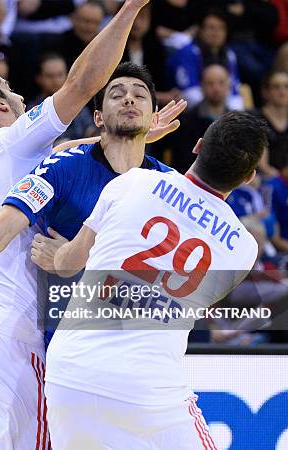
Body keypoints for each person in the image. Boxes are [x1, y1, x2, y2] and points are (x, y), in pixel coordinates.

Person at [0, 2, 180, 448]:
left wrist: (136, 133)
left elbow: (74, 152)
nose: (21, 95)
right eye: (10, 89)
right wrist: (129, 9)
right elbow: (82, 83)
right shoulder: (16, 138)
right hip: (4, 330)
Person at [47, 111, 265, 449]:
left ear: (197, 146)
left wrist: (58, 254)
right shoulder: (243, 247)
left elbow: (70, 261)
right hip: (149, 390)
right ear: (249, 177)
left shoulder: (133, 181)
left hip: (69, 373)